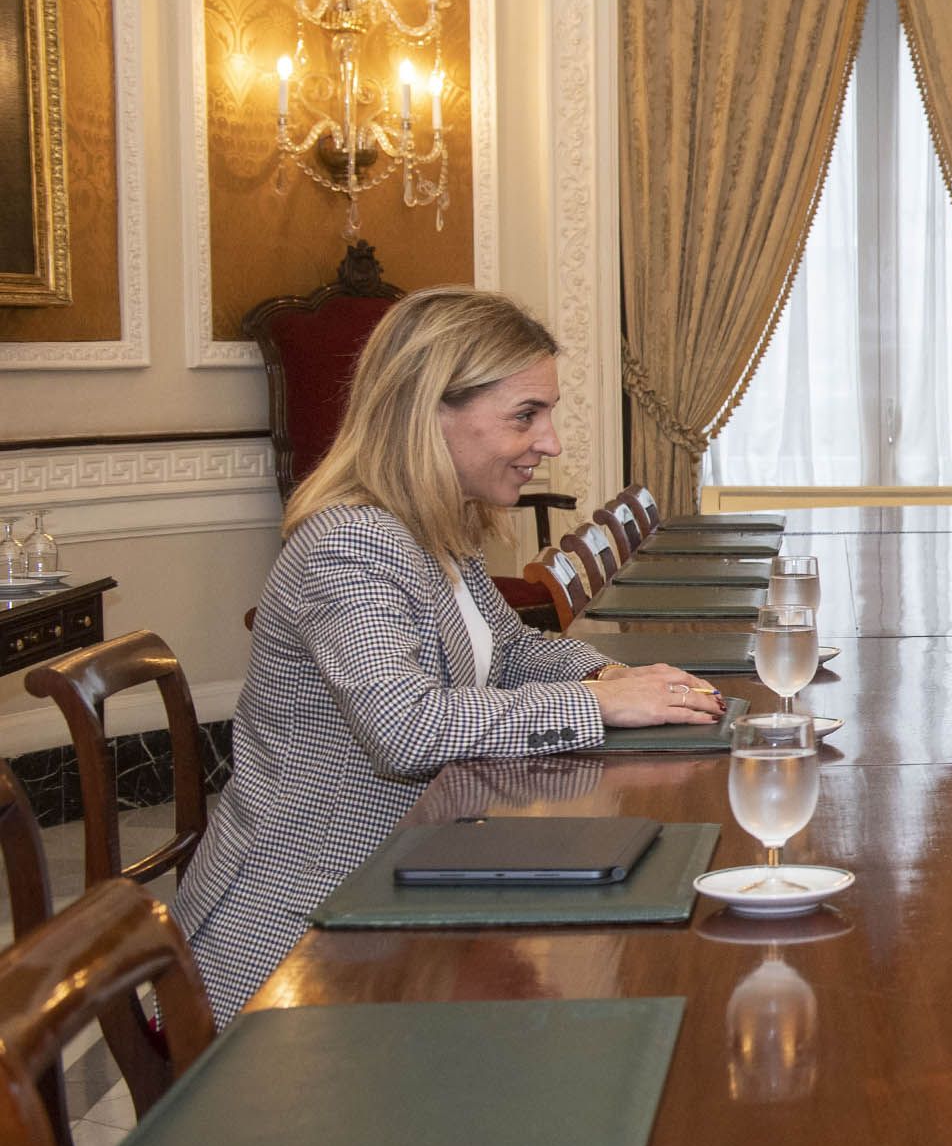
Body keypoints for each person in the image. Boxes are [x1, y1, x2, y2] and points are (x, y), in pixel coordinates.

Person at [180, 289, 721, 1019]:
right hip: (304, 927)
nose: (551, 442)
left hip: (402, 882)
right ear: (427, 410)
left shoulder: (434, 523)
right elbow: (405, 729)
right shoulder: (352, 540)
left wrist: (612, 674)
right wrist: (595, 704)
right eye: (526, 415)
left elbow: (510, 649)